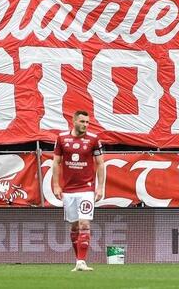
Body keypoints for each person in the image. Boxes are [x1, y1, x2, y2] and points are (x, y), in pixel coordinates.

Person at [52, 111, 105, 272]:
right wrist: (56, 185)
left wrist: (100, 186)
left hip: (87, 189)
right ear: (73, 121)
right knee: (74, 226)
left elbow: (101, 164)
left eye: (87, 122)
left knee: (84, 223)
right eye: (82, 121)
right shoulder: (61, 139)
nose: (85, 125)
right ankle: (78, 261)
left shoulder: (94, 139)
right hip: (68, 190)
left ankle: (82, 261)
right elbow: (56, 163)